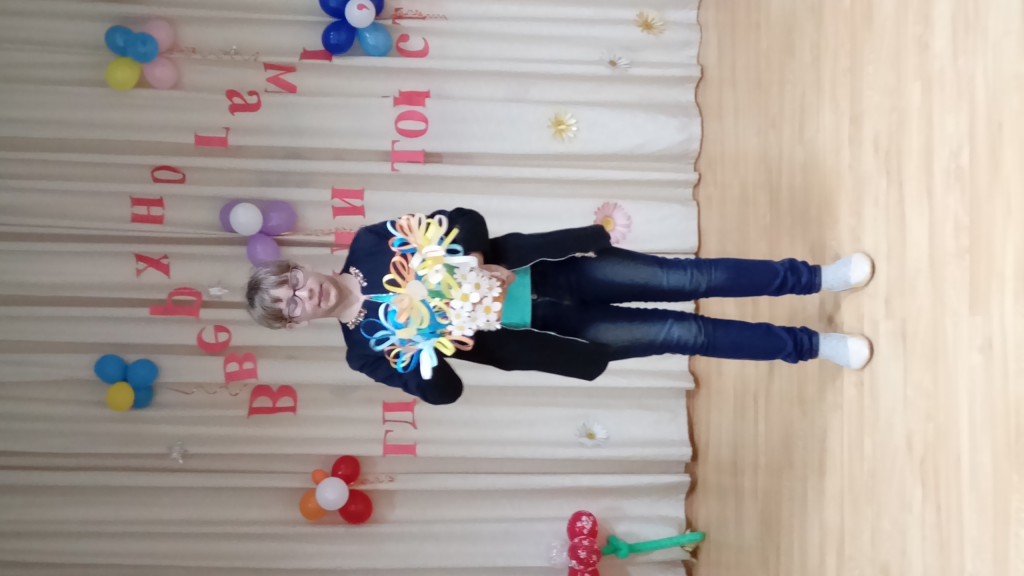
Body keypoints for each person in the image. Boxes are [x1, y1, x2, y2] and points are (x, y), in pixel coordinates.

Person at [246, 208, 874, 405]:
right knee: (687, 335)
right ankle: (812, 346)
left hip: (558, 268)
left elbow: (462, 218)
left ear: (299, 267)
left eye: (292, 282)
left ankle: (816, 277)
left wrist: (468, 257)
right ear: (295, 322)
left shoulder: (368, 243)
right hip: (556, 328)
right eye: (289, 305)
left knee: (689, 275)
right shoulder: (365, 352)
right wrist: (422, 353)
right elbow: (444, 393)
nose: (303, 294)